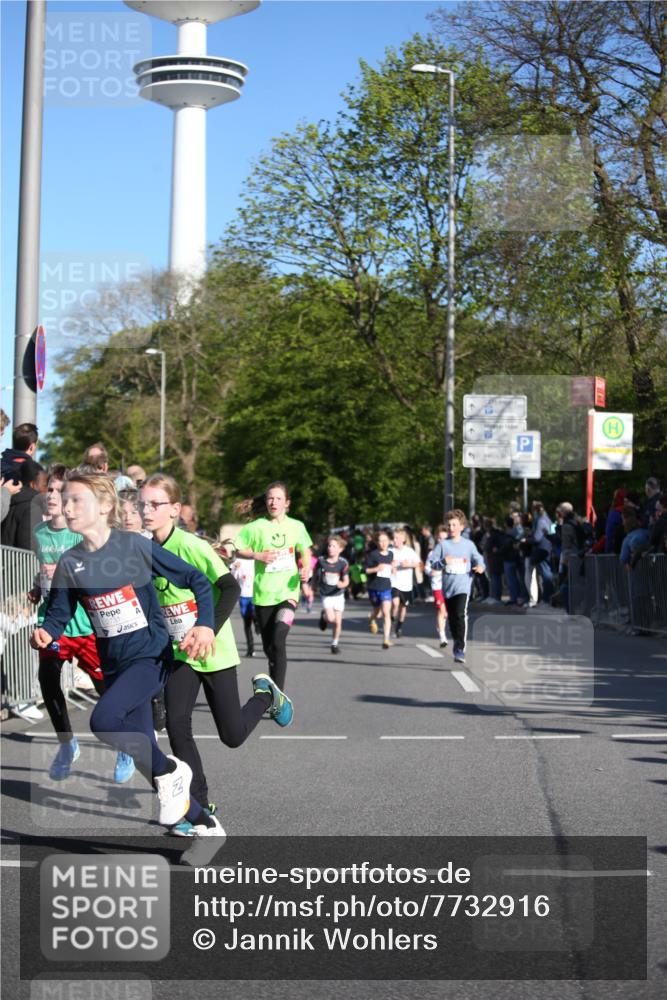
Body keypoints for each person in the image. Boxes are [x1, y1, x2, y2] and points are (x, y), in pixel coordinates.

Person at [30, 471, 223, 837]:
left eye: (76, 500)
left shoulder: (132, 546)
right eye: (64, 499)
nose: (67, 507)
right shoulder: (71, 562)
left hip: (150, 657)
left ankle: (172, 772)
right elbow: (59, 613)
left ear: (104, 507)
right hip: (115, 665)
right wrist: (45, 633)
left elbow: (197, 580)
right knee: (141, 752)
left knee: (103, 721)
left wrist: (206, 625)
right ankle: (205, 823)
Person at [139, 474, 290, 836]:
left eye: (155, 504)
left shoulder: (191, 546)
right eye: (143, 503)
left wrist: (208, 626)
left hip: (214, 648)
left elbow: (229, 587)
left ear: (175, 510)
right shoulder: (143, 550)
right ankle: (199, 806)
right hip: (180, 652)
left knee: (233, 735)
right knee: (177, 724)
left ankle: (266, 695)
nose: (147, 510)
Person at [30, 466, 135, 782]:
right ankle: (67, 745)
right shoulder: (39, 534)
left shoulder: (82, 530)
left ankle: (125, 747)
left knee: (108, 690)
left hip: (88, 625)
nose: (52, 496)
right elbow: (43, 574)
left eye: (59, 491)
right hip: (54, 622)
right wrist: (37, 587)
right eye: (49, 490)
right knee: (48, 681)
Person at [234, 482, 312, 691]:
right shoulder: (255, 527)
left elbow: (305, 550)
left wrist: (306, 569)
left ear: (287, 503)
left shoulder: (296, 526)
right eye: (270, 498)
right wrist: (256, 555)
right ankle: (274, 683)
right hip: (263, 595)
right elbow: (236, 549)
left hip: (288, 593)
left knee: (278, 640)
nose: (273, 502)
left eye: (278, 498)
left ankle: (279, 696)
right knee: (270, 648)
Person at [429, 510, 486, 664]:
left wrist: (480, 566)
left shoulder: (468, 545)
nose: (451, 527)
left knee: (460, 615)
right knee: (453, 619)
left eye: (454, 524)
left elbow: (478, 559)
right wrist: (443, 562)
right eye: (449, 525)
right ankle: (456, 642)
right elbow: (432, 563)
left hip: (463, 587)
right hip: (448, 589)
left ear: (462, 526)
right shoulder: (442, 545)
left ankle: (460, 648)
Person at [316, 535, 350, 654]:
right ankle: (324, 617)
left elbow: (346, 580)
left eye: (334, 546)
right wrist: (312, 587)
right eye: (329, 545)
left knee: (338, 622)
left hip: (338, 594)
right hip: (326, 594)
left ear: (340, 549)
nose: (330, 548)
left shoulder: (343, 563)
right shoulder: (321, 560)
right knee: (331, 619)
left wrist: (343, 584)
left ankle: (334, 644)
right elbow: (316, 576)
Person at [3, 458, 46, 550]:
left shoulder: (5, 501)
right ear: (33, 484)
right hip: (19, 563)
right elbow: (30, 547)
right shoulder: (32, 507)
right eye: (44, 485)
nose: (46, 490)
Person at [365, 530, 395, 650]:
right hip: (374, 587)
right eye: (380, 541)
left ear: (388, 542)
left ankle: (386, 639)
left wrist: (393, 568)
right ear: (377, 542)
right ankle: (372, 618)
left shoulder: (391, 554)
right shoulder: (373, 555)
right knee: (377, 611)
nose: (383, 543)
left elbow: (391, 567)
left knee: (386, 612)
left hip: (386, 587)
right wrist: (376, 568)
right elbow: (366, 570)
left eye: (385, 541)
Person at [390, 526, 420, 638]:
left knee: (403, 607)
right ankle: (392, 621)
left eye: (397, 538)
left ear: (403, 539)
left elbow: (418, 563)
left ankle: (399, 626)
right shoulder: (390, 551)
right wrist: (391, 566)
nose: (395, 540)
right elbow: (385, 563)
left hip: (406, 584)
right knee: (395, 603)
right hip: (393, 582)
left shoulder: (409, 551)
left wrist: (409, 565)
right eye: (394, 538)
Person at [425, 523, 449, 647]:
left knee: (445, 613)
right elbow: (426, 568)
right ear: (436, 539)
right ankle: (442, 637)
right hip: (437, 586)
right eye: (439, 538)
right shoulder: (432, 553)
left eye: (444, 538)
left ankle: (440, 627)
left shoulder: (452, 553)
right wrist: (431, 571)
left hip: (450, 586)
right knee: (442, 611)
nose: (442, 541)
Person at [230, 553, 257, 657]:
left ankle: (258, 624)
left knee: (257, 618)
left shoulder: (257, 561)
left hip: (256, 596)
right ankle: (251, 649)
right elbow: (232, 579)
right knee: (247, 624)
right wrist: (235, 569)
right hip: (243, 597)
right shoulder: (237, 562)